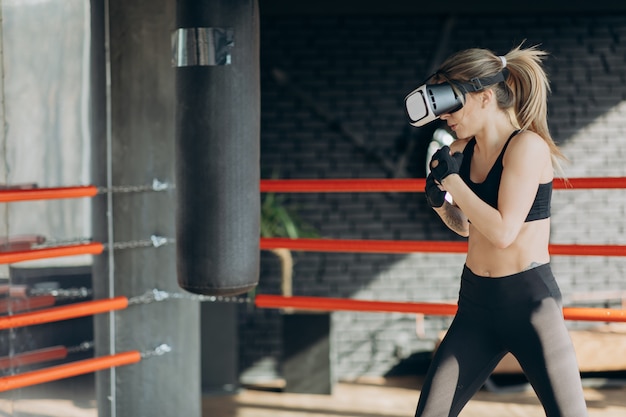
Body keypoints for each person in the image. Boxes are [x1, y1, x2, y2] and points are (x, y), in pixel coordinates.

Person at [408, 44, 589, 417]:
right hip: (476, 305)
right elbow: (467, 229)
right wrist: (441, 204)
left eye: (453, 106)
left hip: (528, 304)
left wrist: (454, 185)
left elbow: (504, 231)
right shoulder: (462, 150)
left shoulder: (526, 147)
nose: (446, 118)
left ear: (486, 96)